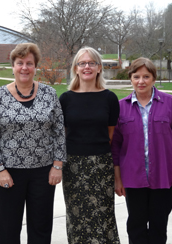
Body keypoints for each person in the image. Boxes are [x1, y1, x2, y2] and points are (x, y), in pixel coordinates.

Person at [0, 43, 66, 244]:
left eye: (29, 63)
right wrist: (0, 169)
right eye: (20, 63)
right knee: (8, 227)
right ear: (13, 66)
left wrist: (57, 165)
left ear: (36, 66)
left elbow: (60, 131)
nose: (24, 68)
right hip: (9, 172)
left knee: (41, 226)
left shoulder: (49, 94)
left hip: (44, 172)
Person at [111, 57, 172, 244]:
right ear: (130, 79)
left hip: (163, 177)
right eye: (136, 76)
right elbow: (115, 147)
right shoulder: (120, 107)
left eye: (146, 76)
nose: (141, 81)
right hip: (132, 179)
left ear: (154, 78)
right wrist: (117, 179)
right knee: (136, 226)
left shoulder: (170, 103)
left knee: (159, 226)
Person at [59, 46, 121, 243]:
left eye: (91, 63)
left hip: (101, 165)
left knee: (103, 215)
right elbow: (63, 134)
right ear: (75, 68)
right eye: (82, 63)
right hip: (73, 166)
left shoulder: (109, 98)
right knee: (77, 217)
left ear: (99, 68)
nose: (87, 67)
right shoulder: (66, 99)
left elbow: (110, 135)